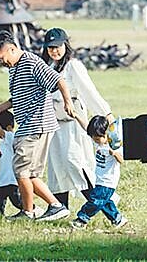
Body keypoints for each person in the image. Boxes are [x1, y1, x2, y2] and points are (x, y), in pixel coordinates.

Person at [0, 30, 76, 222]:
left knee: (21, 170)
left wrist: (68, 102)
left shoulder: (31, 62)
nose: (0, 62)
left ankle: (33, 211)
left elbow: (58, 80)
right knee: (29, 173)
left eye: (0, 57)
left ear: (11, 49)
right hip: (28, 125)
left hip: (37, 124)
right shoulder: (13, 67)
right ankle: (50, 207)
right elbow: (19, 95)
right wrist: (1, 107)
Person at [41, 28, 115, 210]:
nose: (54, 51)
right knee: (57, 167)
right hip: (54, 124)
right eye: (50, 48)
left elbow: (89, 91)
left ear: (65, 45)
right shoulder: (48, 66)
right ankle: (59, 208)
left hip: (73, 123)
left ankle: (104, 206)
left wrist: (106, 113)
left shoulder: (73, 66)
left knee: (75, 162)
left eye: (57, 47)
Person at [70, 115, 126, 229]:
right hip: (99, 180)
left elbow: (121, 160)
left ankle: (82, 219)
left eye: (97, 138)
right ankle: (118, 219)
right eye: (93, 138)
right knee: (104, 202)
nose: (95, 141)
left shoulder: (114, 144)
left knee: (95, 201)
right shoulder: (99, 142)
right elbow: (85, 126)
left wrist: (114, 154)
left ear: (106, 133)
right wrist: (76, 115)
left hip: (108, 182)